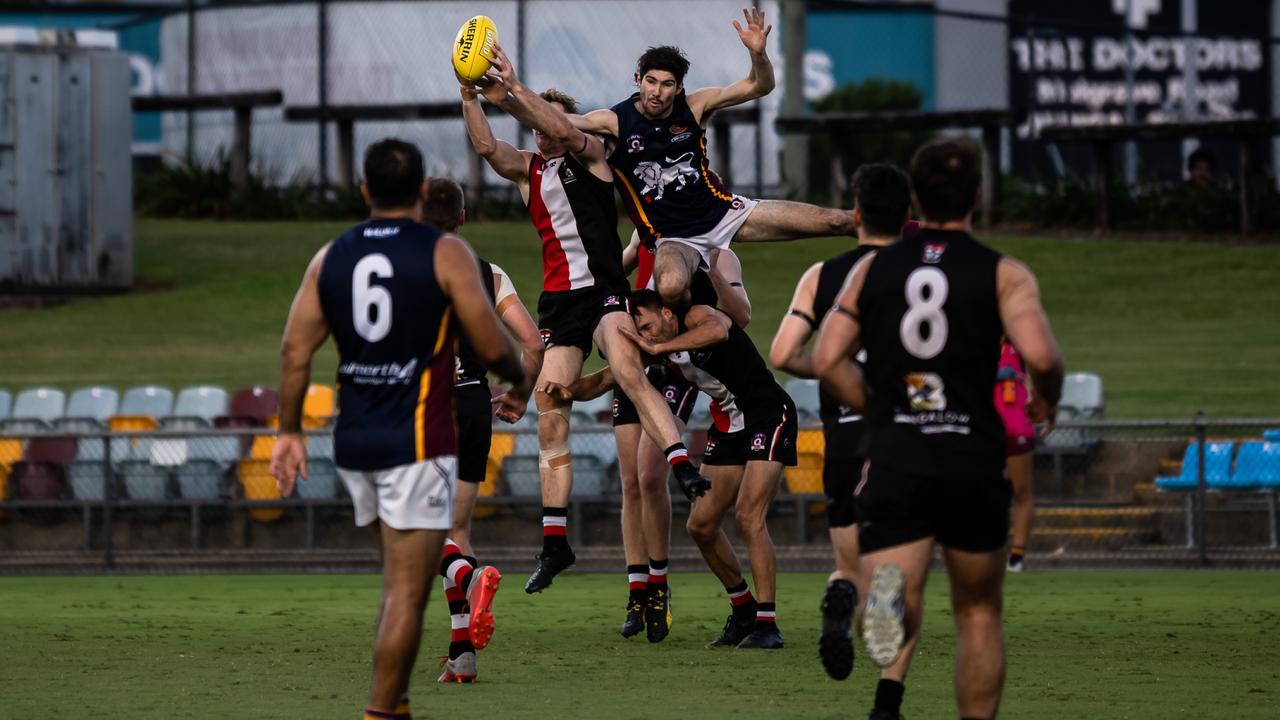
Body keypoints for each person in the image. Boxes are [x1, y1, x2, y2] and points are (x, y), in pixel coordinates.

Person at [269, 139, 530, 719]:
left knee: (398, 578)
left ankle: (401, 703)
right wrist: (515, 382)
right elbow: (493, 344)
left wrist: (288, 432)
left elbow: (294, 349)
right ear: (419, 194)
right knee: (405, 598)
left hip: (355, 441)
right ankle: (382, 712)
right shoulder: (446, 254)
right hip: (417, 440)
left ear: (364, 191)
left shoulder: (330, 256)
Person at [814, 138, 1064, 720]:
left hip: (899, 455)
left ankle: (889, 596)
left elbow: (826, 358)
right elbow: (1044, 358)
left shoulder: (875, 268)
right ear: (978, 195)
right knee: (979, 612)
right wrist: (1043, 400)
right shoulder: (1005, 274)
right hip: (972, 461)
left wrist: (879, 408)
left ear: (916, 201)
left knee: (900, 582)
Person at [460, 57, 710, 595]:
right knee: (551, 412)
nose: (545, 132)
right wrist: (468, 95)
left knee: (626, 368)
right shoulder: (529, 169)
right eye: (538, 123)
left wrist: (517, 95)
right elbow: (485, 148)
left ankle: (682, 464)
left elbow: (563, 131)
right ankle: (556, 543)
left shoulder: (591, 155)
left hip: (602, 293)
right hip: (558, 304)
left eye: (553, 122)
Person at [545, 287, 796, 650]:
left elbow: (719, 331)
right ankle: (743, 609)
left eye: (646, 326)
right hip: (729, 424)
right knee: (701, 525)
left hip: (768, 414)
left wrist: (658, 348)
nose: (644, 336)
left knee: (748, 516)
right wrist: (567, 390)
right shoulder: (654, 348)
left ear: (665, 312)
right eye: (639, 332)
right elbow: (604, 379)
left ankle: (767, 623)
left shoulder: (694, 315)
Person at [568, 8, 856, 310]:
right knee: (670, 287)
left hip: (723, 213)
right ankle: (693, 330)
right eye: (651, 82)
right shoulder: (614, 121)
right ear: (638, 79)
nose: (656, 92)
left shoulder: (695, 105)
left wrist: (758, 54)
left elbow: (760, 86)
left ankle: (908, 235)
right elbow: (561, 124)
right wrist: (514, 96)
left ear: (679, 87)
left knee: (835, 220)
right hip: (672, 236)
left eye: (667, 84)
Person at [768, 163, 912, 681]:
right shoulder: (924, 275)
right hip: (906, 436)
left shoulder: (821, 276)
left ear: (855, 215)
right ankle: (881, 627)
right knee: (900, 561)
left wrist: (838, 371)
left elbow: (784, 352)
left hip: (845, 436)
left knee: (849, 564)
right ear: (907, 215)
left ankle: (843, 593)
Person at [420, 177, 544, 681]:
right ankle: (462, 656)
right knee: (454, 531)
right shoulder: (489, 273)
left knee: (418, 535)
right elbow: (533, 342)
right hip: (473, 405)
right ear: (464, 219)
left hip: (426, 407)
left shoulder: (407, 269)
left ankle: (471, 578)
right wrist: (518, 394)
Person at [612, 235, 752, 642]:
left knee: (650, 473)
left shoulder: (709, 242)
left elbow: (738, 316)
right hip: (636, 350)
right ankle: (636, 590)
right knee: (630, 482)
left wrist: (711, 271)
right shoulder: (643, 230)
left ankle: (658, 584)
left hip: (673, 360)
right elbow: (614, 271)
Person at [996, 340, 1036, 573]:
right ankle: (988, 551)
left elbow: (1039, 370)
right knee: (981, 490)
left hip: (1016, 424)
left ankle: (1017, 556)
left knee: (1021, 489)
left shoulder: (1020, 339)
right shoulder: (972, 332)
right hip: (983, 427)